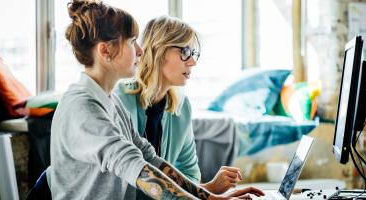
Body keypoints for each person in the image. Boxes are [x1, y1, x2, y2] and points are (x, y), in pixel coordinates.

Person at [49, 0, 264, 199]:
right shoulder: (83, 107)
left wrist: (211, 198)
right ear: (105, 50)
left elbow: (149, 159)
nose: (141, 50)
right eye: (133, 42)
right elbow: (135, 167)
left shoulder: (110, 102)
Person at [114, 16, 242, 195]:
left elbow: (189, 174)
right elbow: (127, 188)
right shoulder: (119, 100)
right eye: (185, 52)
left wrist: (209, 192)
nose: (192, 62)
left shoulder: (181, 107)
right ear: (159, 50)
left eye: (194, 54)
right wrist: (209, 192)